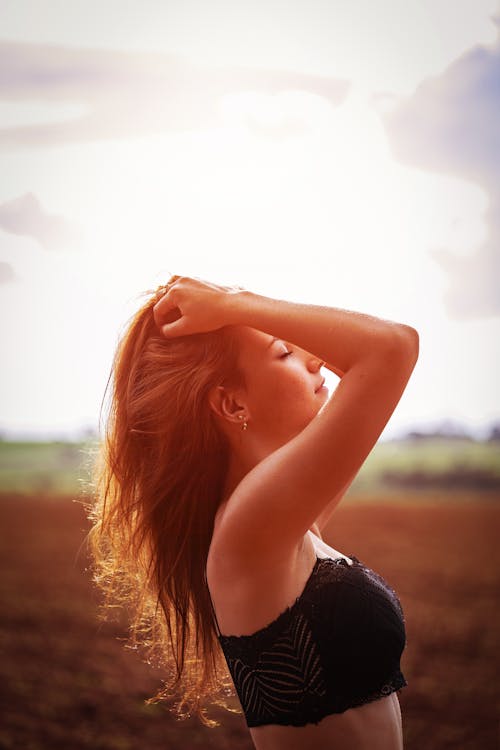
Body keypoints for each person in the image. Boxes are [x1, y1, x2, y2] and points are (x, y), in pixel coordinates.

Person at [89, 274, 419, 750]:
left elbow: (375, 362)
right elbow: (393, 348)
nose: (314, 358)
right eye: (285, 352)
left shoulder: (285, 522)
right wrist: (234, 305)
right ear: (232, 402)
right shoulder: (249, 522)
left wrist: (233, 310)